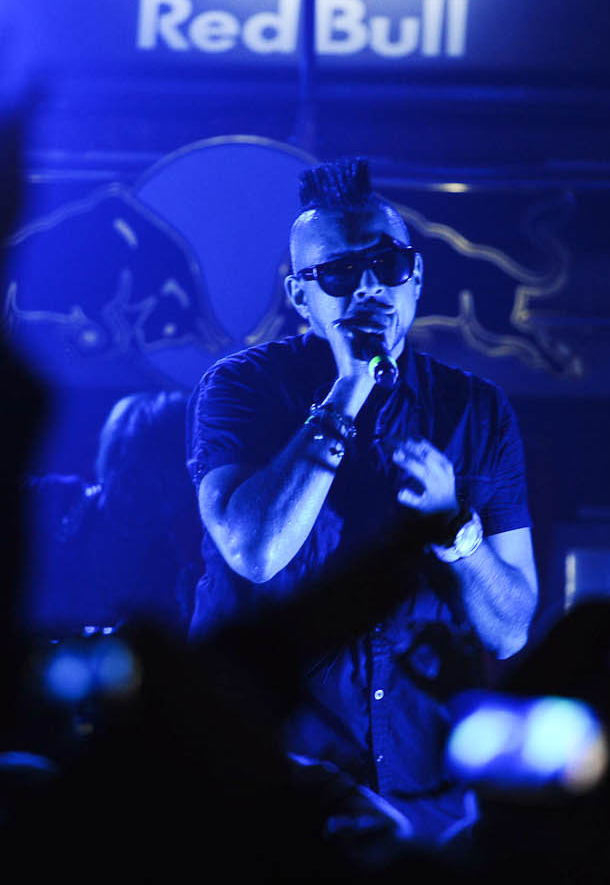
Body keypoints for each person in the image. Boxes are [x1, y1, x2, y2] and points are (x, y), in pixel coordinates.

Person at [186, 157, 538, 846]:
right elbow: (255, 551)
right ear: (300, 295)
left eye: (386, 264)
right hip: (267, 781)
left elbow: (511, 629)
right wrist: (350, 387)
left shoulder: (476, 409)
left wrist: (456, 533)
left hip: (422, 794)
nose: (370, 287)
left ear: (417, 275)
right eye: (341, 274)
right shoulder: (241, 389)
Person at [24, 390, 201, 634]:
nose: (137, 491)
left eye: (165, 483)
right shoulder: (49, 498)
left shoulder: (179, 569)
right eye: (130, 468)